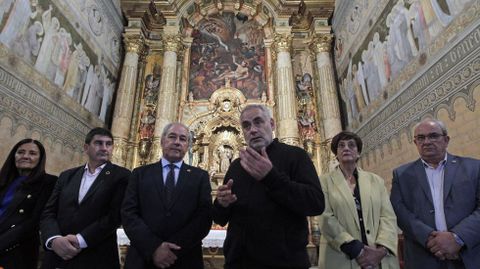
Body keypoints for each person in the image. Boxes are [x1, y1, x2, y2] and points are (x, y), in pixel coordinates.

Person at [213, 104, 325, 269]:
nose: (253, 129)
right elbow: (220, 219)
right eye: (246, 125)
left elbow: (315, 203)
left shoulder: (295, 156)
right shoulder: (237, 166)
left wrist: (271, 177)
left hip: (285, 262)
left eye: (258, 122)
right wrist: (222, 204)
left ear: (272, 124)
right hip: (239, 262)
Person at [391, 119, 480, 269]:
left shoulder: (474, 168)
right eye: (421, 138)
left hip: (467, 256)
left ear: (446, 140)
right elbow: (399, 211)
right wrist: (429, 239)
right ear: (415, 143)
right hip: (423, 257)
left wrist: (457, 238)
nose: (426, 141)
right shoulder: (402, 175)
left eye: (433, 136)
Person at [121, 123, 212, 269]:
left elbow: (204, 217)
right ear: (162, 141)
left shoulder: (199, 177)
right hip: (143, 258)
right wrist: (154, 247)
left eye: (183, 139)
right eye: (172, 137)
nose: (177, 142)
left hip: (185, 258)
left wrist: (172, 249)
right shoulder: (140, 174)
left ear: (187, 145)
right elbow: (128, 213)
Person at [40, 127, 130, 269]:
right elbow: (49, 212)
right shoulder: (67, 175)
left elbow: (114, 216)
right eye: (99, 143)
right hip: (58, 255)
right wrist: (54, 239)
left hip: (96, 255)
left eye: (109, 144)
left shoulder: (122, 176)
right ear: (86, 147)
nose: (104, 148)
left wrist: (80, 240)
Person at [317, 131, 399, 269]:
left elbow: (388, 216)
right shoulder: (324, 181)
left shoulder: (375, 181)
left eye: (351, 145)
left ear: (358, 153)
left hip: (377, 257)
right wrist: (358, 251)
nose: (346, 148)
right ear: (336, 154)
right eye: (341, 146)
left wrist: (381, 250)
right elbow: (325, 218)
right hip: (342, 255)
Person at [0, 139, 56, 269]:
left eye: (32, 153)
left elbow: (33, 221)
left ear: (40, 158)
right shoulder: (3, 180)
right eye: (20, 152)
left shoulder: (49, 183)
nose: (25, 156)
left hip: (15, 251)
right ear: (14, 155)